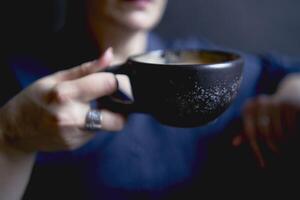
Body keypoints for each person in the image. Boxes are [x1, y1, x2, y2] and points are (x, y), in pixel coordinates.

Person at [0, 0, 300, 199]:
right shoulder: (18, 78)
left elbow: (286, 72)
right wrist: (12, 138)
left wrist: (290, 92)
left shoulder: (207, 68)